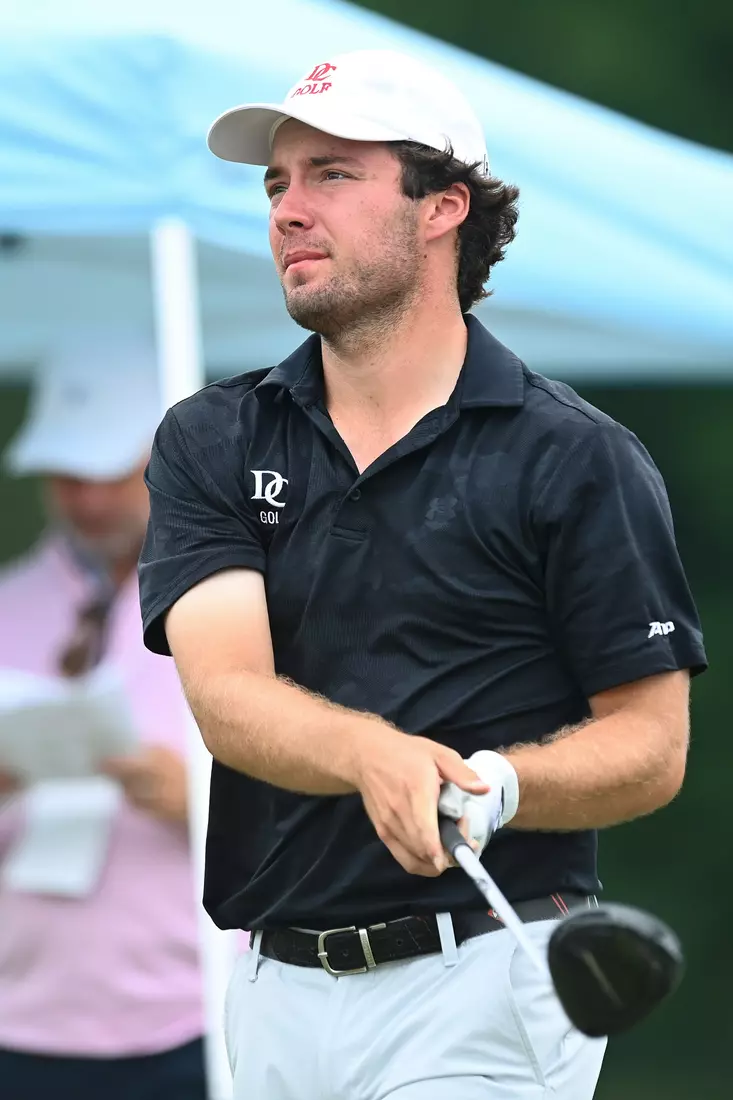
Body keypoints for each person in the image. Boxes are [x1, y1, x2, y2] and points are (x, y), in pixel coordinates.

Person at [138, 48, 708, 1100]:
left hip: (484, 977)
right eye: (276, 183)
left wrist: (500, 784)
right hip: (270, 990)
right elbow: (227, 695)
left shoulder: (574, 455)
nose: (286, 210)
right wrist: (371, 753)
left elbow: (651, 743)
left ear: (443, 206)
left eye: (331, 175)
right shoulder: (209, 437)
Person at [0, 336, 207, 1100]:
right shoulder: (6, 604)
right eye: (67, 476)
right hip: (21, 1014)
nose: (87, 499)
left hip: (197, 1007)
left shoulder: (240, 604)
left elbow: (320, 812)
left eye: (110, 474)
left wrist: (199, 802)